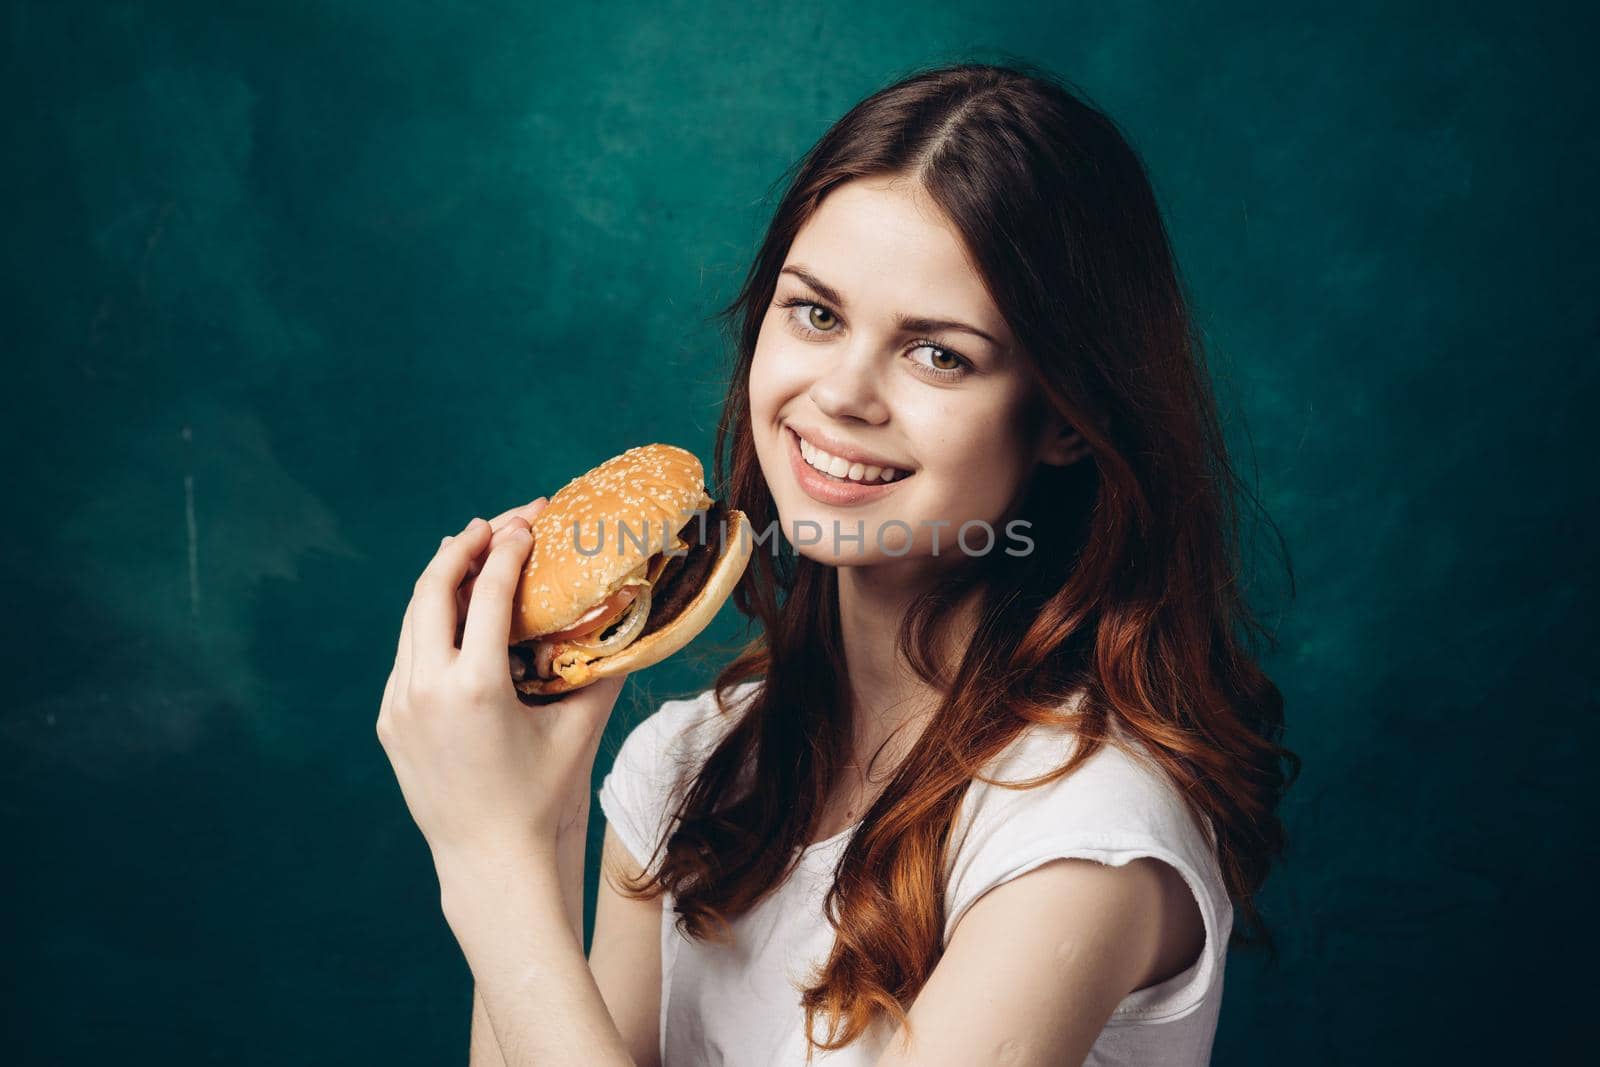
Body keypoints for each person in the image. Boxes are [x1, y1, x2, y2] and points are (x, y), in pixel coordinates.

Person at [377, 60, 1299, 1067]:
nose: (843, 393)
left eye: (938, 353)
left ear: (1065, 421)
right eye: (815, 313)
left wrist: (486, 862)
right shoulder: (686, 766)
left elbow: (510, 922)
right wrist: (541, 815)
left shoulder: (1083, 832)